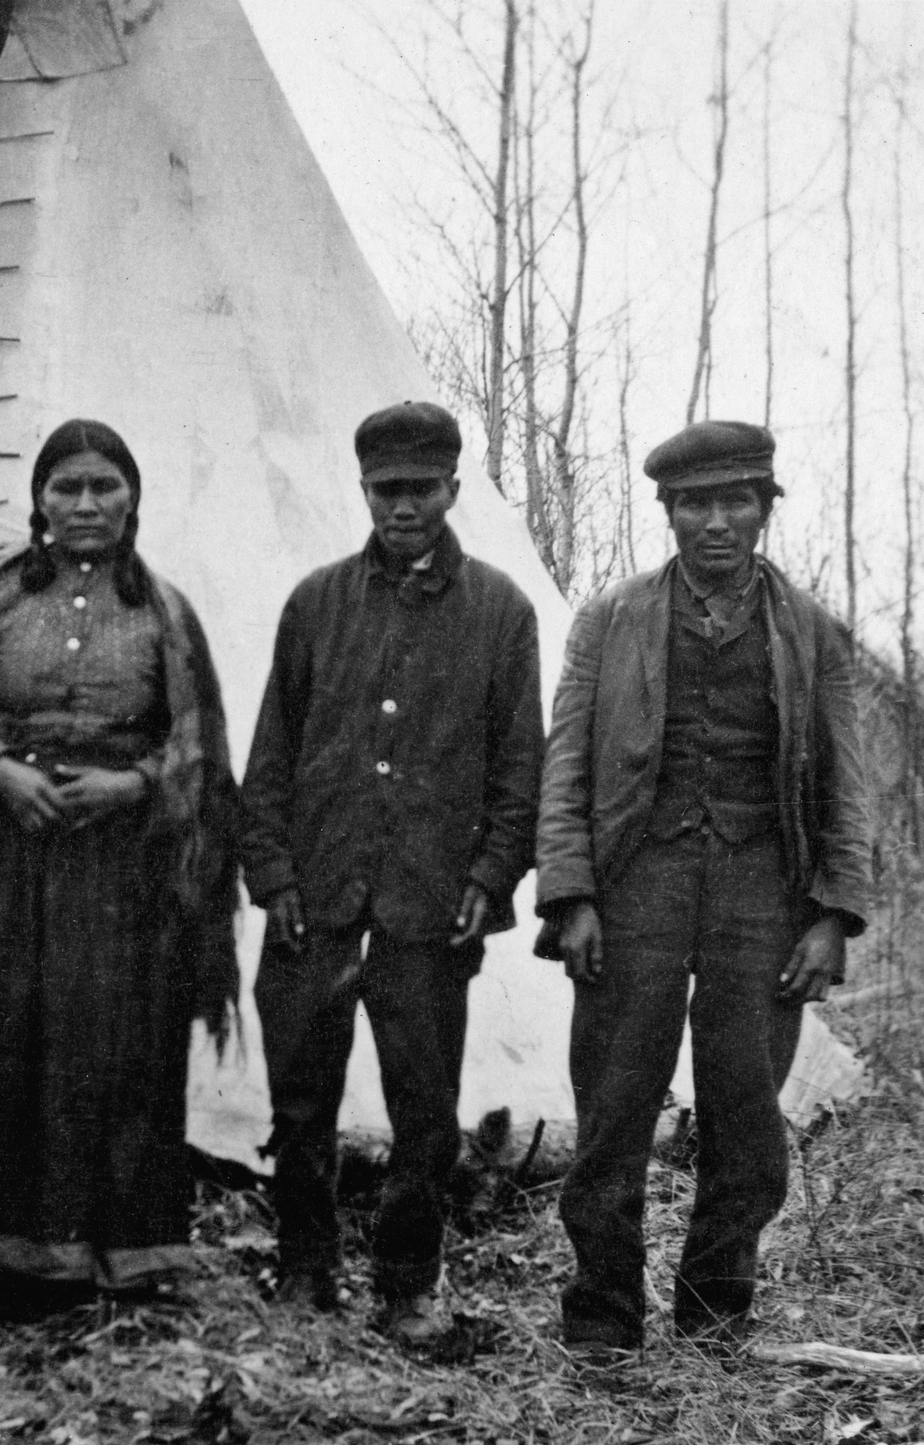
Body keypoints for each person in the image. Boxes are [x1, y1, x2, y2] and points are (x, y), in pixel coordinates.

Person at [533, 419, 874, 1352]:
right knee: (611, 1109)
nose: (715, 522)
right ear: (668, 512)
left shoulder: (811, 630)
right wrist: (572, 893)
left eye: (734, 502)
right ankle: (603, 1316)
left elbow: (845, 780)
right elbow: (566, 762)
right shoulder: (611, 618)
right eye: (694, 504)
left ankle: (716, 1310)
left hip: (762, 894)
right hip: (636, 884)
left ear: (765, 509)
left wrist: (833, 916)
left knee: (747, 1115)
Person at [240, 400, 544, 1344]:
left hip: (426, 905)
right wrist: (275, 877)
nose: (402, 507)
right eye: (385, 490)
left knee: (425, 1109)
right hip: (316, 897)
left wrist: (490, 878)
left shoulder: (499, 611)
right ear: (362, 489)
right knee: (299, 1096)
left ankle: (410, 1284)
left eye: (420, 489)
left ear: (453, 489)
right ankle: (304, 1269)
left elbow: (518, 769)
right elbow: (271, 760)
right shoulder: (316, 603)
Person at [0, 418, 239, 1308]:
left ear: (133, 498)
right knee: (7, 1040)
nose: (86, 504)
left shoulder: (163, 611)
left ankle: (119, 1254)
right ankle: (5, 1258)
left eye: (104, 486)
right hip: (8, 861)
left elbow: (198, 744)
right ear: (40, 500)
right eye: (68, 488)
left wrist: (131, 785)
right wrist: (0, 768)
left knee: (114, 1047)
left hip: (122, 873)